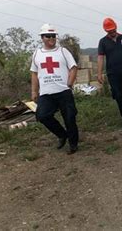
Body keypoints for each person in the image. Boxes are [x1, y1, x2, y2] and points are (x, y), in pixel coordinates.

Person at [30, 24, 79, 154]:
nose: (51, 38)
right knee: (42, 116)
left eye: (53, 36)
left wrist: (69, 83)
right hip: (46, 92)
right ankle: (62, 135)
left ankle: (73, 144)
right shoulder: (37, 54)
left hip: (63, 91)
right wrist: (34, 91)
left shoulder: (63, 51)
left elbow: (73, 67)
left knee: (69, 117)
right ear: (42, 37)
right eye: (48, 36)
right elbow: (34, 73)